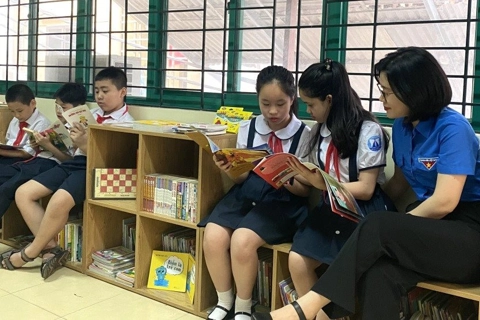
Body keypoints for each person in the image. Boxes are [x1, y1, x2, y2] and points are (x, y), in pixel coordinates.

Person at [252, 47, 480, 320]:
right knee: (378, 273)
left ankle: (304, 309)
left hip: (468, 235)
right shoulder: (402, 128)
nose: (381, 98)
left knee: (379, 224)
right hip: (430, 234)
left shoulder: (453, 128)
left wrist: (391, 227)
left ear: (414, 90)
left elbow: (445, 201)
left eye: (387, 91)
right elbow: (399, 183)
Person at [286, 60, 395, 320]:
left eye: (311, 104)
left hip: (362, 211)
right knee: (297, 259)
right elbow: (308, 172)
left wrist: (320, 184)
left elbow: (367, 188)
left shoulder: (368, 130)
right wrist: (287, 175)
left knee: (353, 269)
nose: (307, 110)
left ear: (330, 100)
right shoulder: (317, 131)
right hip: (330, 207)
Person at [199, 65, 311, 320]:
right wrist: (229, 167)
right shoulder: (248, 128)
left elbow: (305, 190)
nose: (272, 111)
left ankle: (243, 307)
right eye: (265, 103)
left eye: (280, 103)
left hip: (283, 200)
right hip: (246, 192)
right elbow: (240, 178)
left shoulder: (304, 134)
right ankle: (223, 300)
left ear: (293, 99)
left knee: (242, 240)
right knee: (213, 236)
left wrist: (282, 175)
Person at [2, 67, 134, 279]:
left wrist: (85, 144)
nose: (99, 96)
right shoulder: (89, 116)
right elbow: (71, 157)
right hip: (74, 163)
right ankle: (52, 248)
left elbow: (111, 163)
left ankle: (30, 252)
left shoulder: (127, 124)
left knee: (59, 199)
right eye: (97, 91)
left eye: (105, 91)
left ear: (122, 92)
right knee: (23, 193)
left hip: (97, 169)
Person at [0, 82, 88, 219]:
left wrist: (48, 146)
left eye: (63, 107)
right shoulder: (60, 126)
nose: (59, 111)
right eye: (57, 106)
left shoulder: (80, 129)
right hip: (39, 160)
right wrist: (38, 144)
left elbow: (69, 161)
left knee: (10, 187)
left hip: (50, 164)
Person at [0, 84, 51, 166]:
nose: (16, 115)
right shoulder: (15, 120)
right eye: (12, 111)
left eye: (20, 111)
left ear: (33, 103)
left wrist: (2, 152)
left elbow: (27, 154)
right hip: (9, 155)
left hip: (26, 161)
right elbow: (9, 141)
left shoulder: (42, 123)